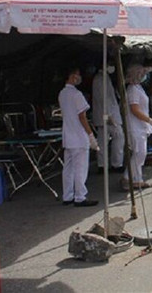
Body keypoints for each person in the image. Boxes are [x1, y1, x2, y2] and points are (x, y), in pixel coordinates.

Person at [59, 66, 99, 207]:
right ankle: (80, 196)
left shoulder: (62, 94)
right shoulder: (77, 95)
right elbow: (82, 117)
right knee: (80, 169)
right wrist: (90, 135)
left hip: (68, 137)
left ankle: (67, 195)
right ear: (71, 76)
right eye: (77, 74)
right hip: (78, 137)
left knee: (68, 169)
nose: (79, 77)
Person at [122, 63, 152, 190]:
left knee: (140, 153)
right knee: (139, 153)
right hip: (135, 126)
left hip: (141, 126)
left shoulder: (138, 88)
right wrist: (150, 120)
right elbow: (134, 109)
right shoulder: (132, 90)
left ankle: (138, 179)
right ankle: (127, 177)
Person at [91, 64, 124, 174]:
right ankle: (112, 164)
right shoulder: (100, 79)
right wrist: (109, 115)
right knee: (115, 137)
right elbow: (103, 99)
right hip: (107, 115)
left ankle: (107, 164)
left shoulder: (104, 77)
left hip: (108, 115)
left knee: (104, 140)